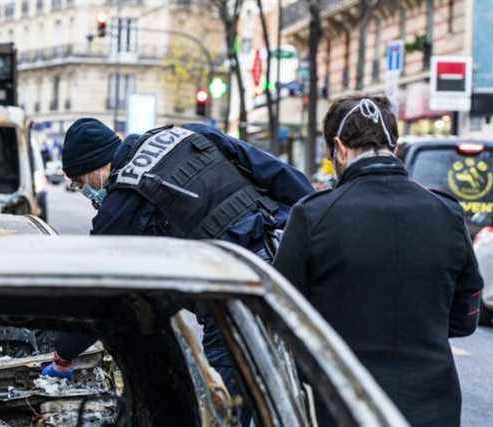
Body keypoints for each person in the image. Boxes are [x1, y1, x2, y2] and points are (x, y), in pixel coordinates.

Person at [41, 118, 314, 422]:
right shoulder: (188, 134)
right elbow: (279, 175)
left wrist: (64, 353)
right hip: (285, 266)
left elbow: (95, 292)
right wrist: (312, 232)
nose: (85, 191)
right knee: (305, 385)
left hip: (232, 296)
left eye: (81, 182)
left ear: (96, 167)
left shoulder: (120, 206)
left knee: (223, 410)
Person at [272, 96, 483, 427]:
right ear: (394, 145)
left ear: (339, 149)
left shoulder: (312, 216)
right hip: (433, 407)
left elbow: (279, 318)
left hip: (341, 406)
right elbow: (466, 317)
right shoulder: (447, 212)